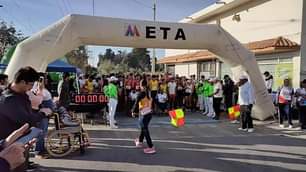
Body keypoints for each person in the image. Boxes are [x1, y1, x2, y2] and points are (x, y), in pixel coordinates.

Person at [0, 67, 51, 171]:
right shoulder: (9, 99)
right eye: (31, 84)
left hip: (20, 142)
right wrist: (42, 113)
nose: (32, 87)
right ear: (23, 82)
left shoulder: (20, 94)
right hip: (10, 146)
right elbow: (26, 120)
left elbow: (27, 113)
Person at [132, 90, 156, 154]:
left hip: (144, 114)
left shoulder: (142, 93)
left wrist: (133, 111)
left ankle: (151, 147)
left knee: (145, 129)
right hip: (149, 114)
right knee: (143, 128)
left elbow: (136, 102)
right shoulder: (149, 93)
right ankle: (140, 141)